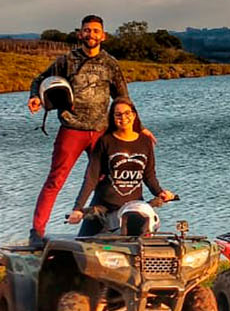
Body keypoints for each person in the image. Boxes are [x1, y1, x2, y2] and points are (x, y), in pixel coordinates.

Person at [26, 14, 128, 248]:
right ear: (80, 33)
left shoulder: (110, 64)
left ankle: (103, 228)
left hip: (101, 131)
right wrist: (35, 97)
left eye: (95, 31)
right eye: (87, 30)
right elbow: (40, 80)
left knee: (106, 180)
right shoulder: (67, 61)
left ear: (103, 36)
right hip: (72, 128)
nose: (91, 34)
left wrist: (138, 129)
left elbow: (123, 99)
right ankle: (37, 232)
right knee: (55, 180)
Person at [66, 98, 175, 235]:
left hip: (133, 209)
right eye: (118, 114)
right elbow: (91, 177)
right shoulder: (105, 141)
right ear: (112, 118)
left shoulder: (145, 141)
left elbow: (149, 175)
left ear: (134, 115)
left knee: (138, 242)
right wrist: (78, 208)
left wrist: (159, 192)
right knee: (83, 241)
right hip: (104, 208)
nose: (123, 118)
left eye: (127, 113)